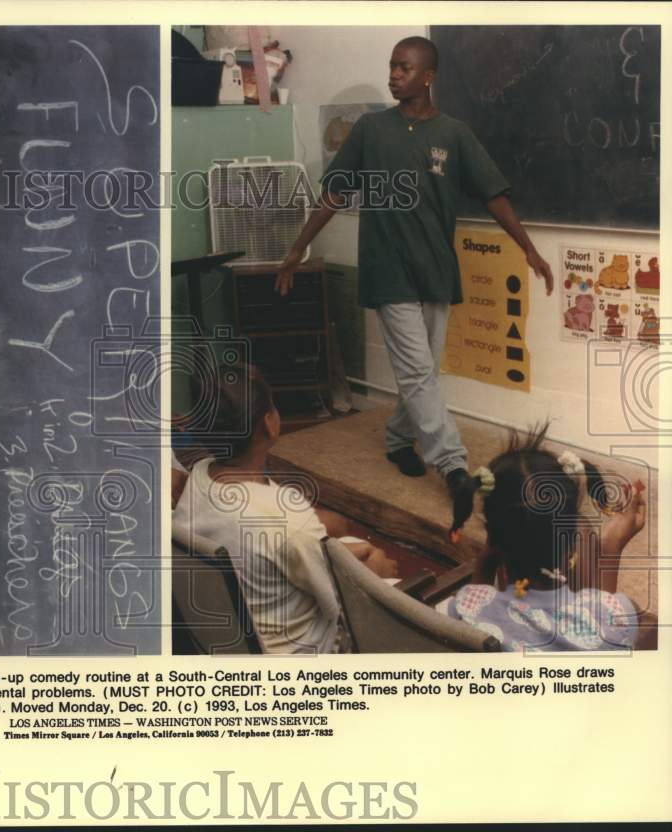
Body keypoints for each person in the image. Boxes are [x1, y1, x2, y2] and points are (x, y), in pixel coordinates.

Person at [275, 36, 554, 501]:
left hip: (437, 270)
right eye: (391, 67)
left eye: (403, 68)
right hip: (388, 272)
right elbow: (335, 195)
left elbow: (493, 195)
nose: (393, 75)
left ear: (428, 76)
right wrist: (297, 247)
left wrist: (527, 248)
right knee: (419, 373)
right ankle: (453, 466)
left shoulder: (454, 134)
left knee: (420, 373)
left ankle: (398, 438)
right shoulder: (370, 129)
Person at [172, 363, 398, 654]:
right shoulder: (291, 522)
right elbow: (341, 608)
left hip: (231, 637)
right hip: (302, 656)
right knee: (384, 572)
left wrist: (339, 552)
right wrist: (375, 572)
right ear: (269, 422)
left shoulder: (199, 476)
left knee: (350, 546)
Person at [444, 425, 644, 651]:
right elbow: (601, 621)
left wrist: (486, 561)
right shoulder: (619, 618)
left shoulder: (464, 609)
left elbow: (475, 600)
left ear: (492, 538)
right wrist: (610, 548)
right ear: (571, 543)